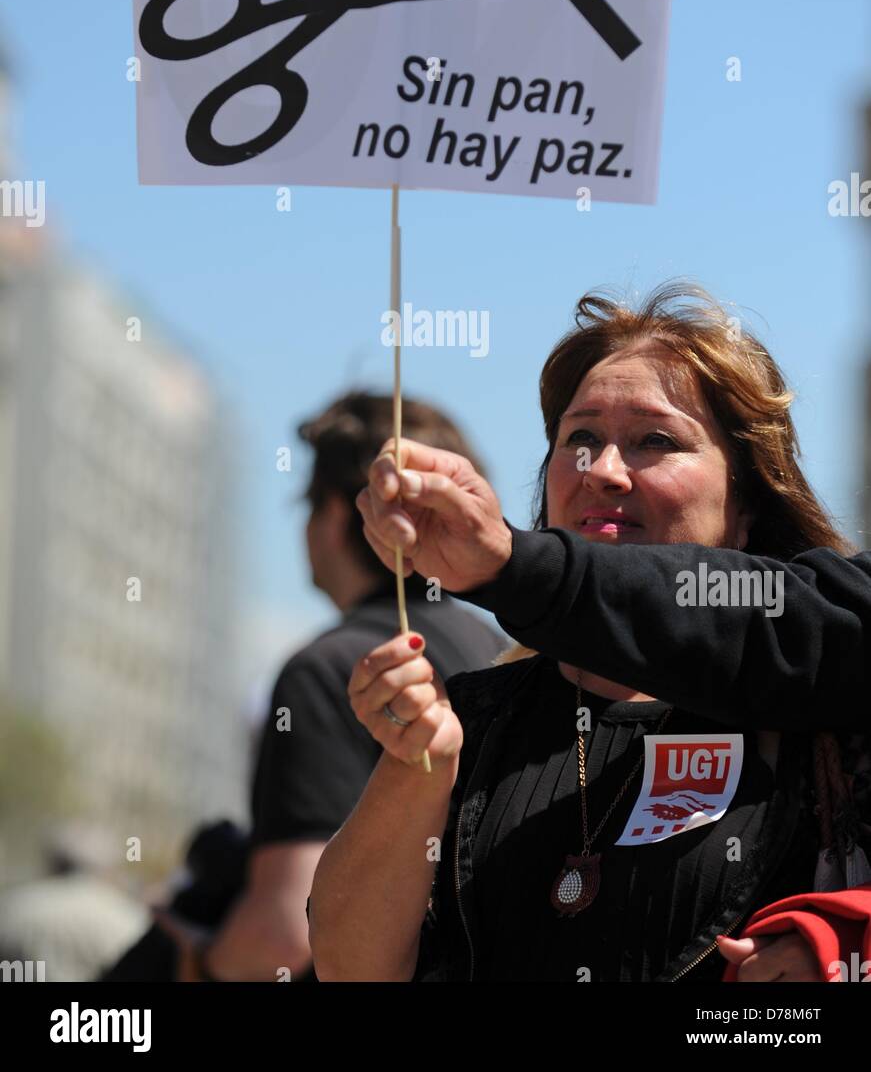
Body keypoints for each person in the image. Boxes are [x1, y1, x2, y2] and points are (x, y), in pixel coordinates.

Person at [309, 283, 871, 982]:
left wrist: (838, 947)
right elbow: (349, 971)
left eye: (653, 441)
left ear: (747, 501)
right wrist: (414, 767)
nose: (601, 470)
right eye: (579, 438)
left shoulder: (829, 714)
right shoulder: (475, 717)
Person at [125, 390, 507, 982]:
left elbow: (283, 934)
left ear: (336, 515)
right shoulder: (500, 654)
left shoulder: (327, 669)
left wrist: (194, 960)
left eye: (306, 504)